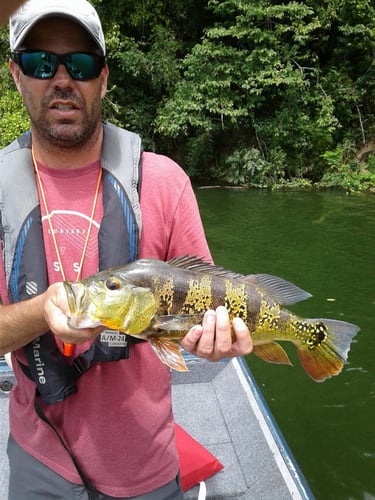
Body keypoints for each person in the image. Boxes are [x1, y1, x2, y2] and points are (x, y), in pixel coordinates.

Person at [0, 0, 253, 498]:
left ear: (104, 77)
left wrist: (217, 339)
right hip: (38, 456)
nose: (62, 78)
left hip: (145, 462)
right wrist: (41, 309)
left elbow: (199, 306)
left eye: (82, 63)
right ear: (15, 74)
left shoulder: (165, 182)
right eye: (40, 62)